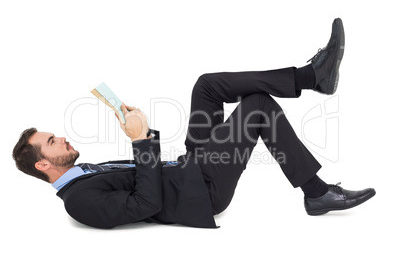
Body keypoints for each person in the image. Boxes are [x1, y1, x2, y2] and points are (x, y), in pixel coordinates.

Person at [12, 18, 375, 229]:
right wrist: (141, 144)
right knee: (258, 105)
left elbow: (145, 175)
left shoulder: (88, 171)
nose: (62, 138)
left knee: (207, 85)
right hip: (202, 190)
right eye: (52, 141)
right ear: (43, 164)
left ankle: (311, 77)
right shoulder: (77, 202)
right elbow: (146, 204)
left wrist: (142, 130)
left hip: (189, 166)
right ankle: (316, 193)